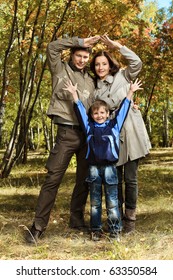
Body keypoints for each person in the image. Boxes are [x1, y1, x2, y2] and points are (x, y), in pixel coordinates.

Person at [25, 35, 100, 244]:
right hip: (66, 133)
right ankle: (38, 227)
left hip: (87, 135)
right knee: (53, 179)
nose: (82, 60)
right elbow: (52, 46)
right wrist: (80, 41)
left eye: (85, 57)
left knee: (84, 180)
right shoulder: (60, 69)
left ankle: (76, 220)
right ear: (72, 55)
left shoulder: (91, 79)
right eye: (79, 55)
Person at [63, 78, 143, 241]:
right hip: (93, 169)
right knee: (95, 202)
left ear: (107, 114)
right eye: (95, 113)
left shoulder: (114, 126)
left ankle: (115, 231)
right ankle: (96, 230)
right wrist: (74, 95)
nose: (99, 115)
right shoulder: (89, 127)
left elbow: (123, 110)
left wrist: (130, 92)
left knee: (113, 201)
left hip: (110, 169)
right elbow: (79, 111)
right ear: (92, 115)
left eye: (102, 112)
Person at [89, 35, 151, 234]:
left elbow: (137, 62)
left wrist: (117, 46)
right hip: (110, 138)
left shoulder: (123, 76)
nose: (100, 67)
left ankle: (130, 218)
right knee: (115, 179)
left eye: (104, 63)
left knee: (131, 178)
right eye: (97, 64)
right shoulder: (94, 90)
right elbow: (94, 115)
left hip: (130, 130)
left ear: (110, 64)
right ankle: (117, 219)